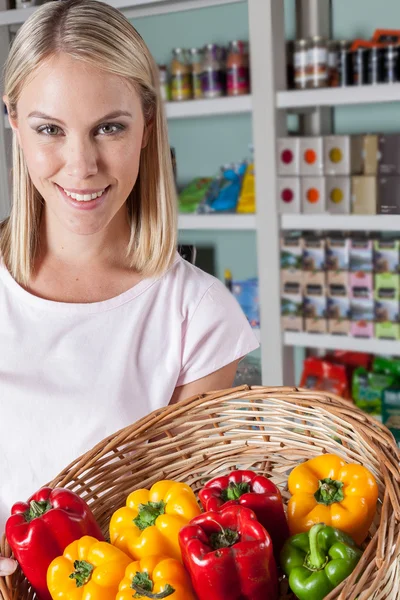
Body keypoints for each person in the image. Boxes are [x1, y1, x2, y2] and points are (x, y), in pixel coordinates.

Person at [0, 0, 259, 554]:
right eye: (50, 128)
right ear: (14, 122)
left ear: (146, 126)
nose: (81, 164)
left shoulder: (199, 315)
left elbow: (187, 531)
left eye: (109, 128)